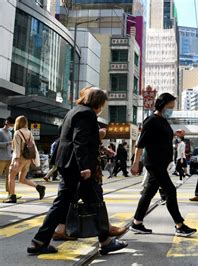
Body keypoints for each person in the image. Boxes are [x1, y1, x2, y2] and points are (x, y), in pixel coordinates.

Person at [27, 87, 127, 255]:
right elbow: (79, 140)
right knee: (95, 201)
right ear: (98, 102)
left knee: (62, 203)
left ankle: (40, 241)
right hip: (77, 167)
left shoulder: (73, 111)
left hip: (67, 164)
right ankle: (106, 241)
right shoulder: (87, 114)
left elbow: (67, 137)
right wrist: (85, 166)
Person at [130, 93, 196, 237]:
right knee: (170, 191)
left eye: (172, 107)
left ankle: (137, 223)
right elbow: (140, 144)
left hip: (161, 163)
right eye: (169, 106)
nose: (171, 109)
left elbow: (160, 138)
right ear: (161, 105)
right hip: (154, 163)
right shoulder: (151, 121)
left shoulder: (163, 120)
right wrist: (136, 163)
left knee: (149, 193)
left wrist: (174, 134)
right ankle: (179, 225)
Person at [3, 116, 45, 203]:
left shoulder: (17, 132)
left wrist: (16, 160)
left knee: (11, 176)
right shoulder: (29, 132)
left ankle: (12, 197)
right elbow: (33, 146)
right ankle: (39, 187)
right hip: (28, 159)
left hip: (20, 158)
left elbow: (17, 148)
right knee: (22, 179)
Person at [0, 117, 14, 193]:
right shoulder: (0, 131)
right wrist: (8, 143)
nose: (12, 126)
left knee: (9, 176)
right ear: (7, 123)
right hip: (1, 158)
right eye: (11, 124)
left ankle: (10, 193)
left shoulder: (10, 133)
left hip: (9, 157)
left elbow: (11, 145)